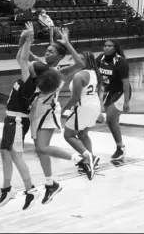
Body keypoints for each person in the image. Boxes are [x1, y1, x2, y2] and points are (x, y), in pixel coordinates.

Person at [29, 27, 95, 205]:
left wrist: (67, 44)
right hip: (35, 113)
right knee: (39, 149)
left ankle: (79, 159)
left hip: (48, 112)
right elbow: (26, 56)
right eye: (46, 49)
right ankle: (50, 184)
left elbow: (80, 64)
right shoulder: (40, 66)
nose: (46, 51)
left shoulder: (60, 71)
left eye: (51, 51)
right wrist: (25, 40)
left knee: (43, 148)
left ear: (58, 57)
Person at [0, 24, 58, 210]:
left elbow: (23, 58)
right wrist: (24, 39)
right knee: (5, 153)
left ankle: (30, 190)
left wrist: (30, 39)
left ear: (33, 72)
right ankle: (7, 188)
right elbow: (20, 57)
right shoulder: (30, 78)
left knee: (16, 156)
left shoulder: (30, 83)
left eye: (30, 65)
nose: (27, 63)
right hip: (11, 119)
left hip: (17, 121)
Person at [61, 51, 102, 176]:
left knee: (68, 135)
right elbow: (98, 91)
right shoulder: (95, 72)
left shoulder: (79, 76)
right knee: (83, 134)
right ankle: (90, 161)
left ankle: (90, 157)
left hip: (82, 107)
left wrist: (64, 109)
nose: (75, 61)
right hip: (94, 105)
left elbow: (75, 98)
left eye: (79, 59)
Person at [96, 40, 131, 161]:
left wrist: (126, 102)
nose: (106, 48)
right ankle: (120, 145)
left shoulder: (121, 62)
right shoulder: (100, 58)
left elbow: (126, 83)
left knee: (110, 119)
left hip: (120, 92)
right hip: (109, 91)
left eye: (109, 46)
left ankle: (120, 147)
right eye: (105, 46)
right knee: (112, 121)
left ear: (115, 48)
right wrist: (100, 88)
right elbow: (97, 74)